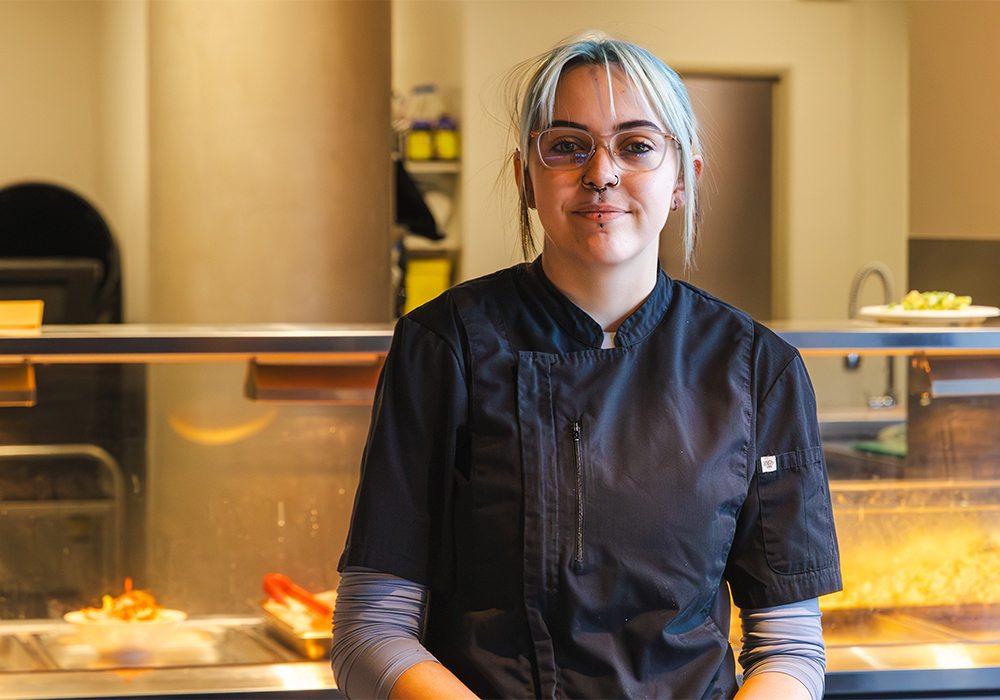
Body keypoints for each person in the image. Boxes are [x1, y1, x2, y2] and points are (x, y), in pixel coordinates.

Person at [332, 32, 841, 700]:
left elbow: (790, 647)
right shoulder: (443, 344)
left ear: (682, 176)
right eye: (567, 145)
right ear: (526, 177)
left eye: (635, 146)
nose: (601, 172)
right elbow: (370, 630)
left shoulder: (757, 368)